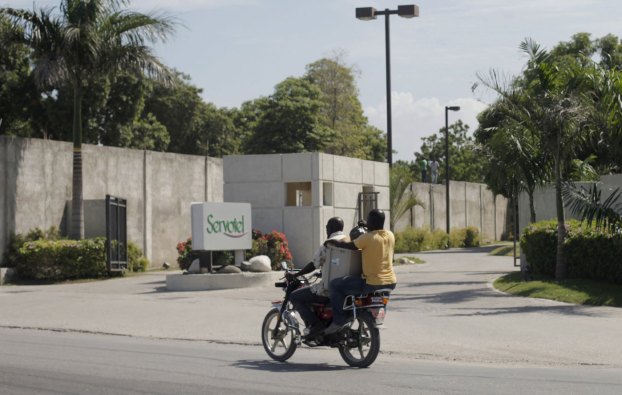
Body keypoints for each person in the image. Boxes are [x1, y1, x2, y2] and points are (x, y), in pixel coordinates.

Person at [323, 209, 397, 334]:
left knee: (335, 285)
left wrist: (334, 242)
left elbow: (350, 246)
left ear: (372, 221)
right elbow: (375, 236)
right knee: (379, 302)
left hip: (372, 283)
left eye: (369, 219)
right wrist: (367, 225)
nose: (367, 221)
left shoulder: (366, 238)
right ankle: (375, 316)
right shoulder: (390, 235)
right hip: (390, 282)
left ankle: (339, 320)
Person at [288, 217, 348, 338]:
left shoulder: (329, 243)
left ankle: (315, 325)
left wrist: (296, 274)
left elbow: (314, 264)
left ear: (330, 228)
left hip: (327, 290)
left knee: (294, 296)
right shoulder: (349, 241)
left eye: (327, 228)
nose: (326, 230)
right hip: (346, 287)